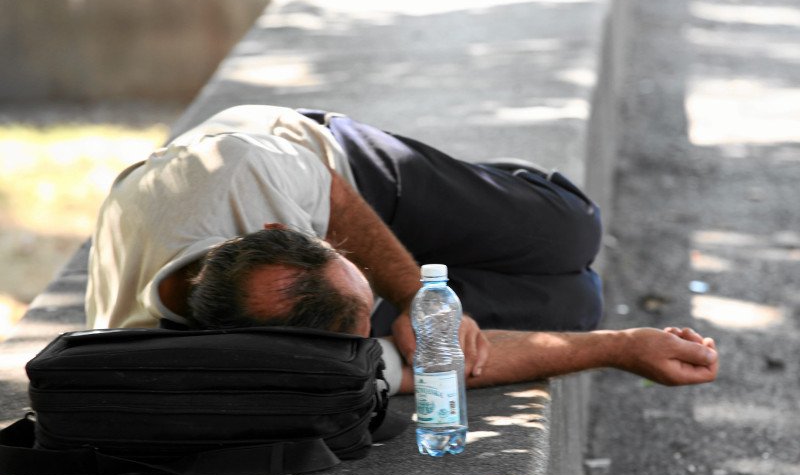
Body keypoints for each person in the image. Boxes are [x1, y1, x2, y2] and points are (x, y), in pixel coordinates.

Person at [86, 105, 718, 395]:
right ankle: (443, 271)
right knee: (576, 306)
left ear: (282, 232)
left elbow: (335, 197)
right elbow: (432, 368)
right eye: (368, 325)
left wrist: (417, 296)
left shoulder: (237, 168)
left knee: (574, 231)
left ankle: (489, 194)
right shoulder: (226, 366)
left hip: (336, 169)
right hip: (311, 273)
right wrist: (621, 348)